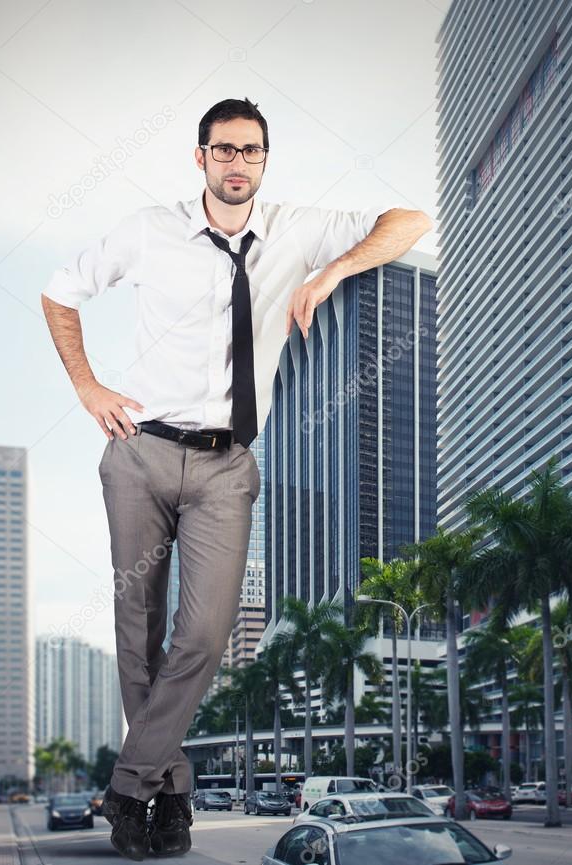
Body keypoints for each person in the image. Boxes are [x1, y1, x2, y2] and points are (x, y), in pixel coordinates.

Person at [40, 97, 430, 861]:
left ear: (263, 160)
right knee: (136, 635)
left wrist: (331, 271)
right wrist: (88, 387)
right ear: (199, 158)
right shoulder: (148, 230)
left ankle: (127, 787)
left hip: (226, 465)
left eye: (250, 151)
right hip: (140, 451)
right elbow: (60, 290)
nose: (236, 163)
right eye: (223, 150)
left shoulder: (295, 228)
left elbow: (409, 219)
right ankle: (170, 800)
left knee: (207, 634)